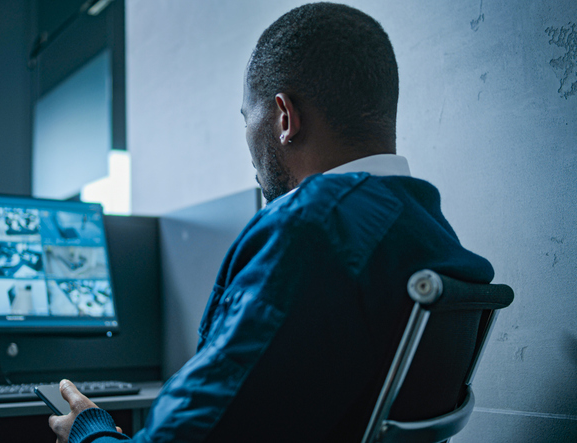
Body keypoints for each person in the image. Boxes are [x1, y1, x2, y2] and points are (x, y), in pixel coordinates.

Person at [49, 3, 494, 442]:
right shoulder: (429, 229)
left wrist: (90, 430)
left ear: (284, 116)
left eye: (248, 117)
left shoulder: (315, 228)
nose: (248, 142)